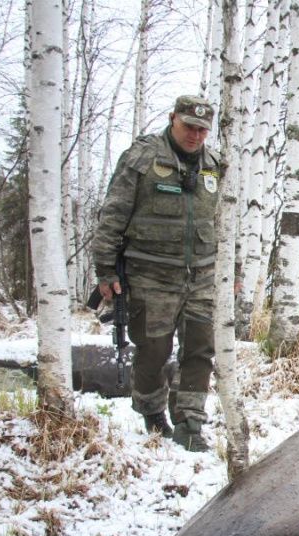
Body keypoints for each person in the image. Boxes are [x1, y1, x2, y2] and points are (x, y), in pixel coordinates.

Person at [91, 95, 222, 451]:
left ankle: (190, 421)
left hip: (202, 276)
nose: (196, 135)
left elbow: (224, 223)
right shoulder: (143, 157)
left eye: (203, 130)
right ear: (172, 120)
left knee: (200, 349)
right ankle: (151, 411)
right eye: (189, 127)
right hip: (150, 274)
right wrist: (105, 269)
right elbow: (113, 214)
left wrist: (233, 271)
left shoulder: (214, 166)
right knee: (153, 350)